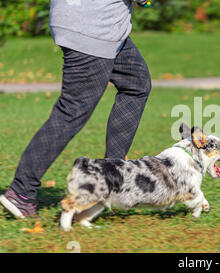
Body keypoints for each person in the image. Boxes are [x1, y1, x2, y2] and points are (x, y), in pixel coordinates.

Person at [0, 0, 152, 218]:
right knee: (71, 111)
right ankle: (21, 192)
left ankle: (112, 175)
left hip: (89, 21)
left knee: (136, 83)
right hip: (93, 27)